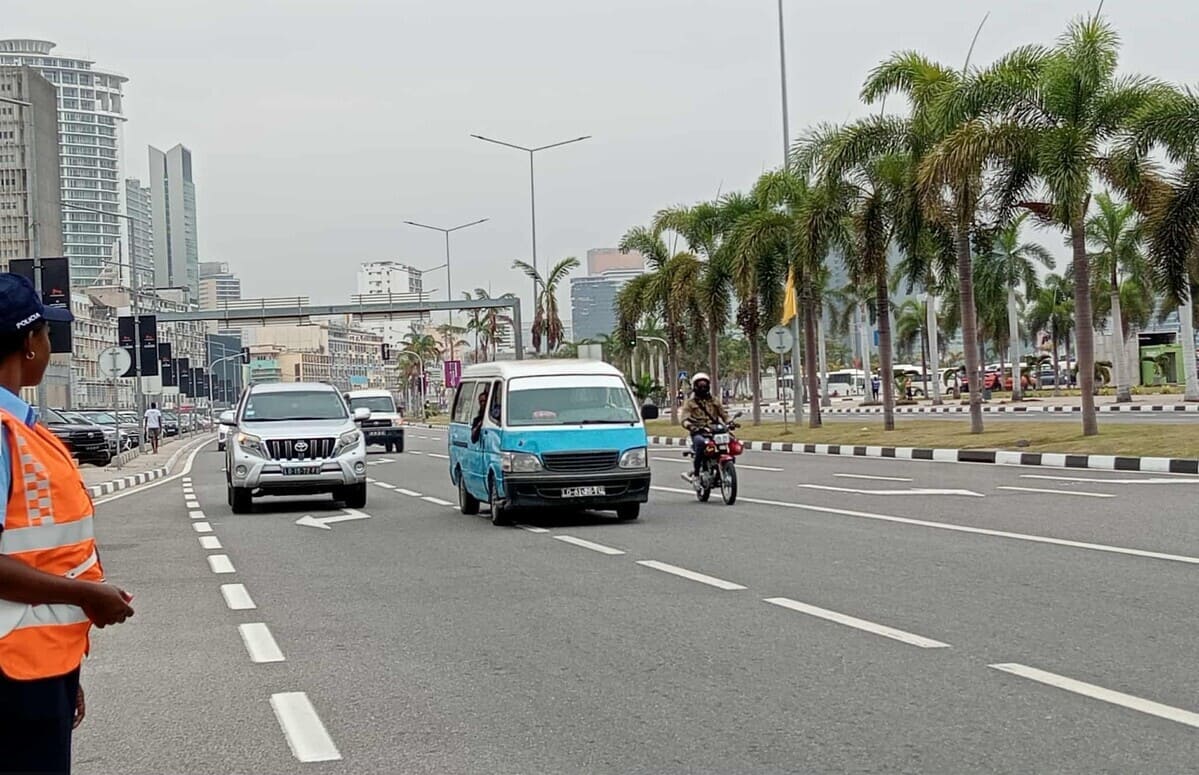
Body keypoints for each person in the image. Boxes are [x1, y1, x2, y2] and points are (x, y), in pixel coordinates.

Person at [0, 273, 134, 775]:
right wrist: (85, 595)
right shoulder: (2, 431)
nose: (50, 344)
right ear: (29, 344)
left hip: (33, 666)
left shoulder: (22, 426)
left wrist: (64, 674)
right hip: (12, 676)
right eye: (47, 333)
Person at [680, 372, 730, 483]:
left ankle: (726, 467)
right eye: (700, 384)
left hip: (715, 430)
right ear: (695, 386)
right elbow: (684, 419)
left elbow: (724, 414)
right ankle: (697, 474)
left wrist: (730, 422)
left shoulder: (714, 401)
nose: (703, 387)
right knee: (700, 443)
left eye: (705, 384)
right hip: (699, 432)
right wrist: (691, 426)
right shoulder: (690, 403)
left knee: (730, 440)